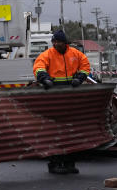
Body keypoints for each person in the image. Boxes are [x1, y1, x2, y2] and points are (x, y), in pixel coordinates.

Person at [32, 29, 92, 174]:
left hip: (71, 97)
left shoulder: (76, 54)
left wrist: (80, 78)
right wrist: (44, 78)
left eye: (58, 41)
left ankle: (70, 163)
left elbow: (85, 67)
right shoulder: (47, 55)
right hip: (54, 97)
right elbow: (38, 67)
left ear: (65, 43)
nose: (56, 44)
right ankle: (55, 163)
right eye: (54, 41)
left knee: (72, 130)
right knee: (55, 131)